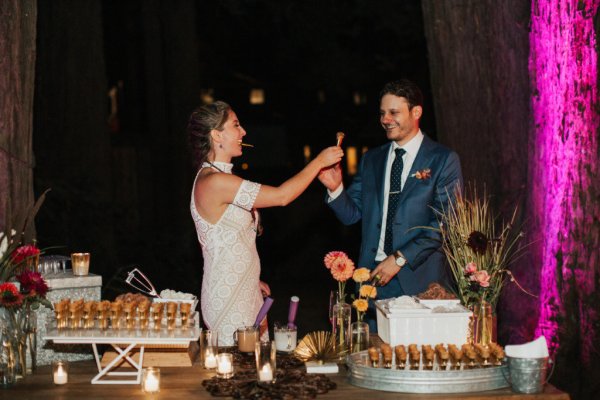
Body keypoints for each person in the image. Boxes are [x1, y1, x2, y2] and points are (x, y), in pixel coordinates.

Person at [188, 101, 343, 345]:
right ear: (217, 135)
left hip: (246, 289)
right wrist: (318, 162)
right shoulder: (214, 181)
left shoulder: (223, 178)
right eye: (236, 125)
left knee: (257, 366)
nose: (243, 132)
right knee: (237, 371)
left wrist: (251, 278)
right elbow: (282, 196)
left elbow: (231, 240)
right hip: (228, 296)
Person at [318, 79, 463, 330]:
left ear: (416, 112)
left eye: (394, 112)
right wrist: (335, 188)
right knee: (374, 359)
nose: (386, 119)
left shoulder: (443, 160)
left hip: (420, 280)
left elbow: (445, 223)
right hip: (372, 281)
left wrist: (398, 259)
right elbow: (352, 215)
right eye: (383, 113)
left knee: (418, 359)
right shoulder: (372, 160)